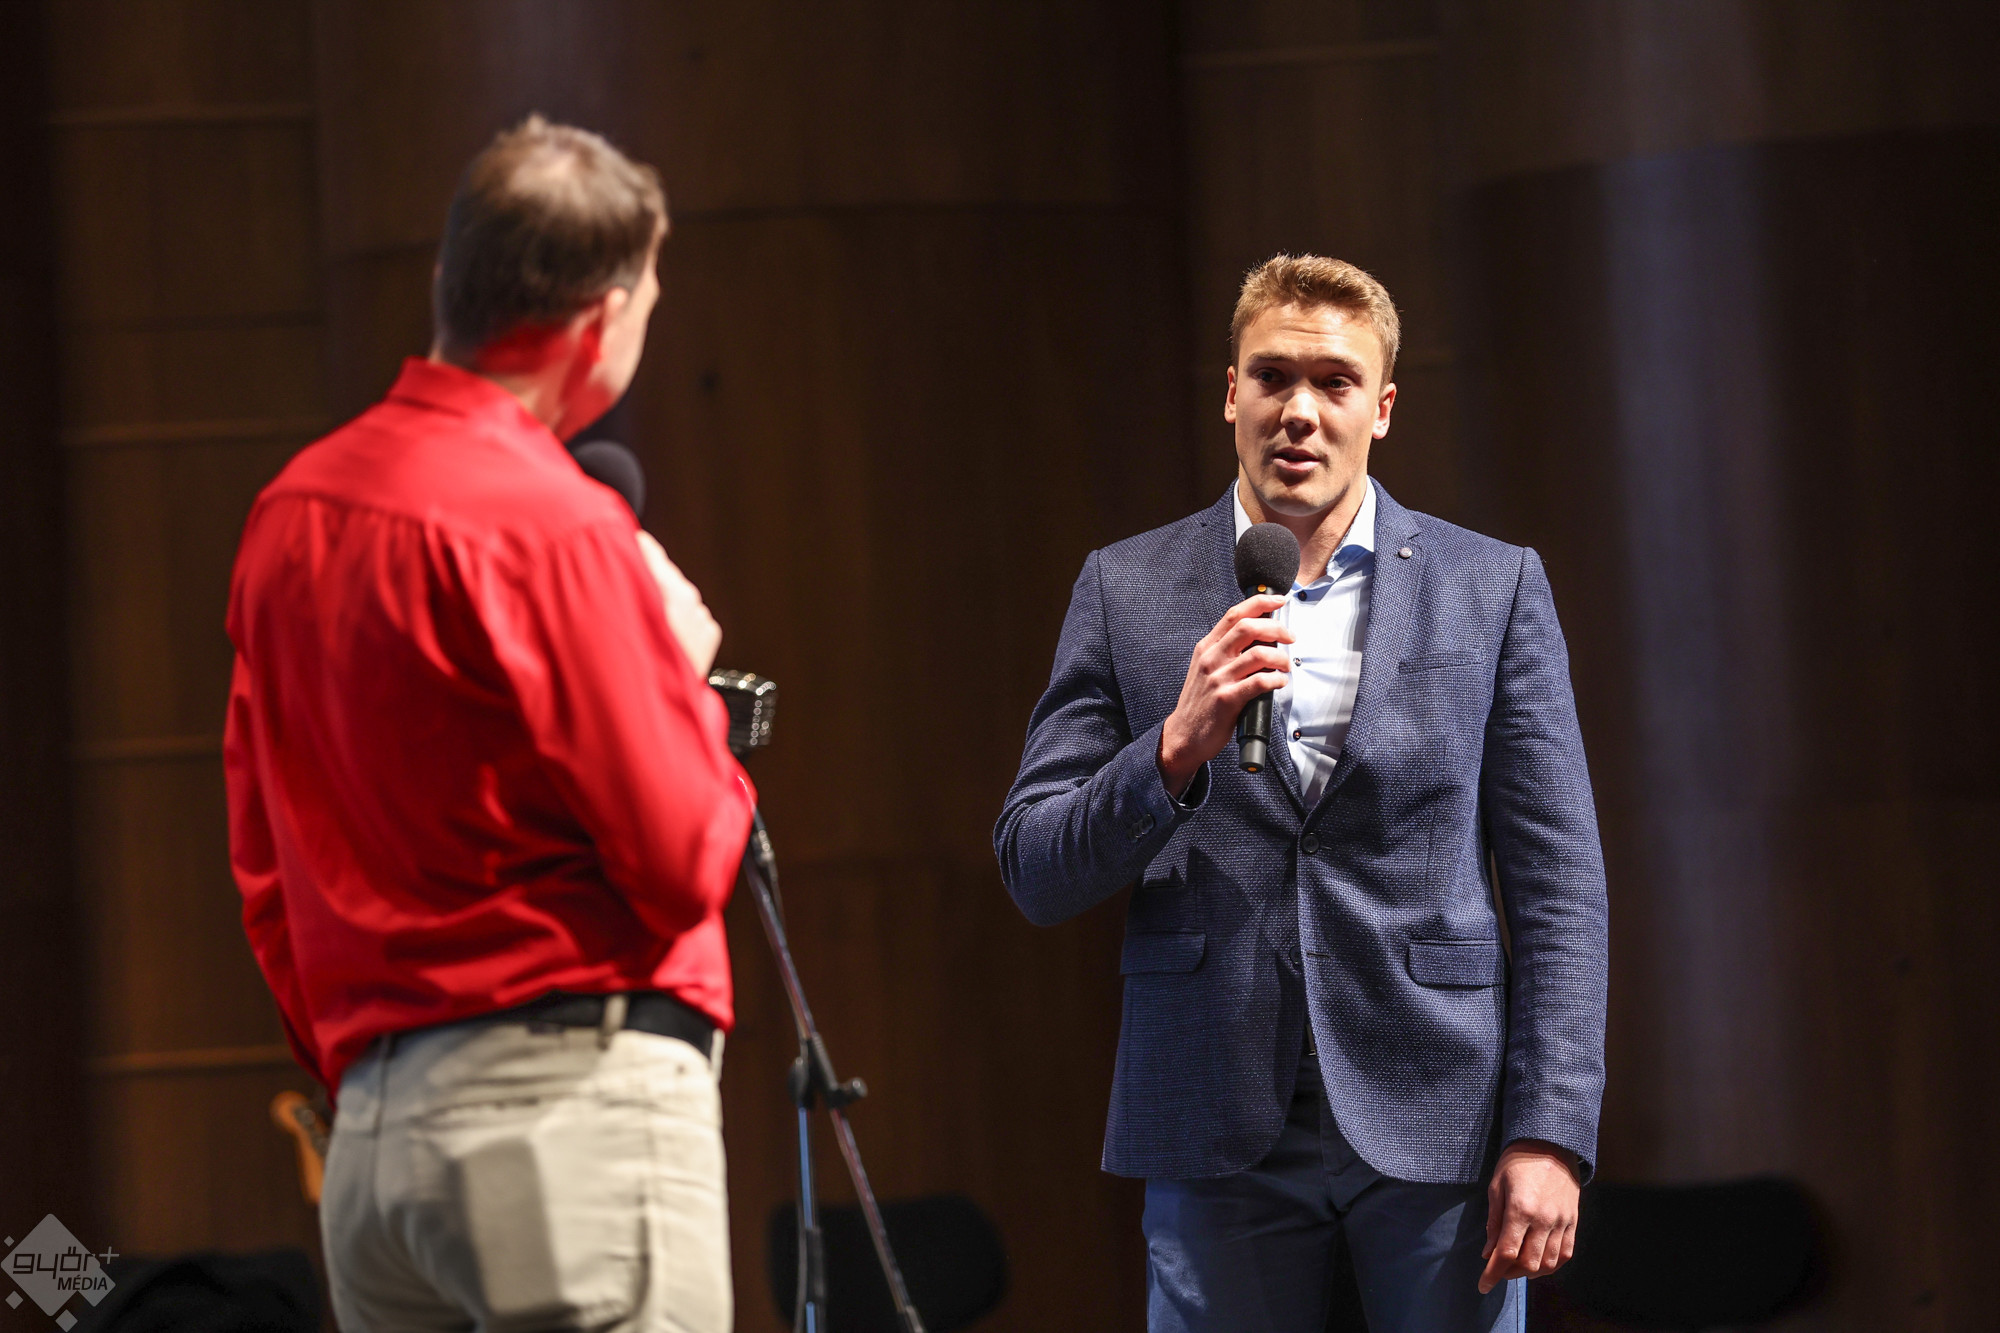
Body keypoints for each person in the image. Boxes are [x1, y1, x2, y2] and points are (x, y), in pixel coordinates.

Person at [994, 255, 1608, 1332]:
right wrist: (1172, 746)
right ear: (1231, 393)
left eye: (1334, 382)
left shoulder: (1490, 584)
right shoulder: (1125, 587)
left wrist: (1548, 1130)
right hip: (1215, 1108)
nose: (1299, 411)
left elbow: (1558, 887)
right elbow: (1035, 866)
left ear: (1383, 407)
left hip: (1438, 1105)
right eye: (1273, 377)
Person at [224, 117, 751, 1333]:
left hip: (372, 1141)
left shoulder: (288, 513)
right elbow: (682, 860)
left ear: (446, 283)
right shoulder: (552, 521)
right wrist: (681, 681)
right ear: (597, 323)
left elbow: (264, 863)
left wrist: (366, 1063)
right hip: (560, 1117)